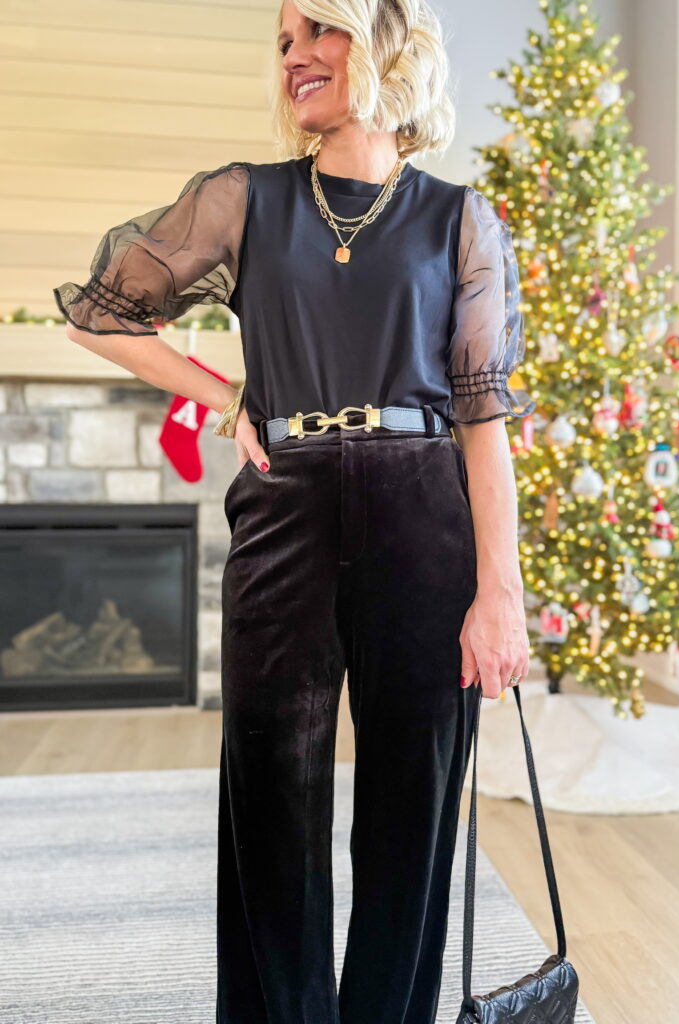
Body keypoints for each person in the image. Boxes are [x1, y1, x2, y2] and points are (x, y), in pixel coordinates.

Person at [53, 1, 535, 1021]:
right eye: (282, 41)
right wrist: (223, 391)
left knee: (414, 801)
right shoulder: (244, 199)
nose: (295, 55)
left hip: (422, 510)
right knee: (270, 792)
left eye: (320, 28)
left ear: (384, 39)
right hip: (285, 505)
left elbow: (481, 415)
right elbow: (100, 313)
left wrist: (500, 593)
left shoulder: (460, 220)